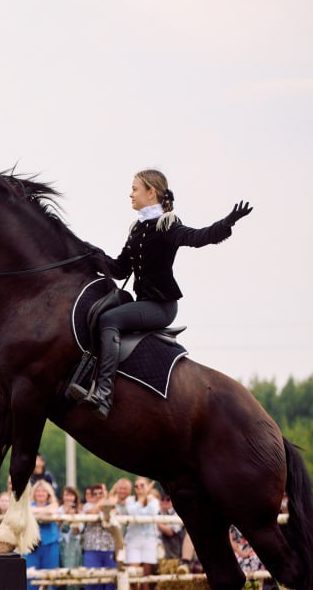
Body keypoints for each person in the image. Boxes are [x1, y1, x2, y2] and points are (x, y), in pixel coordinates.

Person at [71, 169, 252, 419]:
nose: (130, 194)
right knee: (103, 314)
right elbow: (120, 269)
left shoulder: (167, 225)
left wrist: (226, 223)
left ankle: (103, 393)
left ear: (151, 192)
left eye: (135, 188)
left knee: (109, 320)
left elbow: (198, 237)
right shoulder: (136, 229)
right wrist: (88, 253)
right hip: (143, 304)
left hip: (161, 306)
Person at [23, 480, 60, 590]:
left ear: (48, 493)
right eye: (38, 491)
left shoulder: (54, 504)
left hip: (50, 544)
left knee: (50, 575)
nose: (40, 493)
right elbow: (26, 511)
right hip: (31, 545)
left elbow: (52, 511)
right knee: (30, 575)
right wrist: (40, 510)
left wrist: (35, 511)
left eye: (43, 491)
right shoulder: (27, 504)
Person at [123, 477, 160, 590]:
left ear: (148, 486)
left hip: (149, 539)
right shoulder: (130, 500)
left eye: (142, 485)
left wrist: (143, 503)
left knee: (146, 574)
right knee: (132, 572)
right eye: (136, 486)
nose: (139, 488)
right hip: (133, 539)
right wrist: (142, 499)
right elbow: (131, 512)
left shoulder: (153, 500)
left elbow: (153, 512)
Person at [80, 484, 117, 590]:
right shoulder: (87, 506)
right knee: (92, 578)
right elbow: (90, 512)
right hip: (91, 547)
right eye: (94, 494)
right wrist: (104, 501)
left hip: (109, 547)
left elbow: (115, 512)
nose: (97, 496)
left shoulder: (112, 506)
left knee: (110, 579)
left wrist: (105, 503)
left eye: (100, 493)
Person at [58, 486, 85, 590]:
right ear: (63, 497)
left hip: (74, 547)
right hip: (61, 544)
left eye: (71, 495)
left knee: (75, 571)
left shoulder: (80, 511)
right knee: (60, 571)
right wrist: (65, 517)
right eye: (66, 495)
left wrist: (73, 519)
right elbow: (59, 529)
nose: (68, 497)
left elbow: (78, 531)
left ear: (75, 497)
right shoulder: (58, 510)